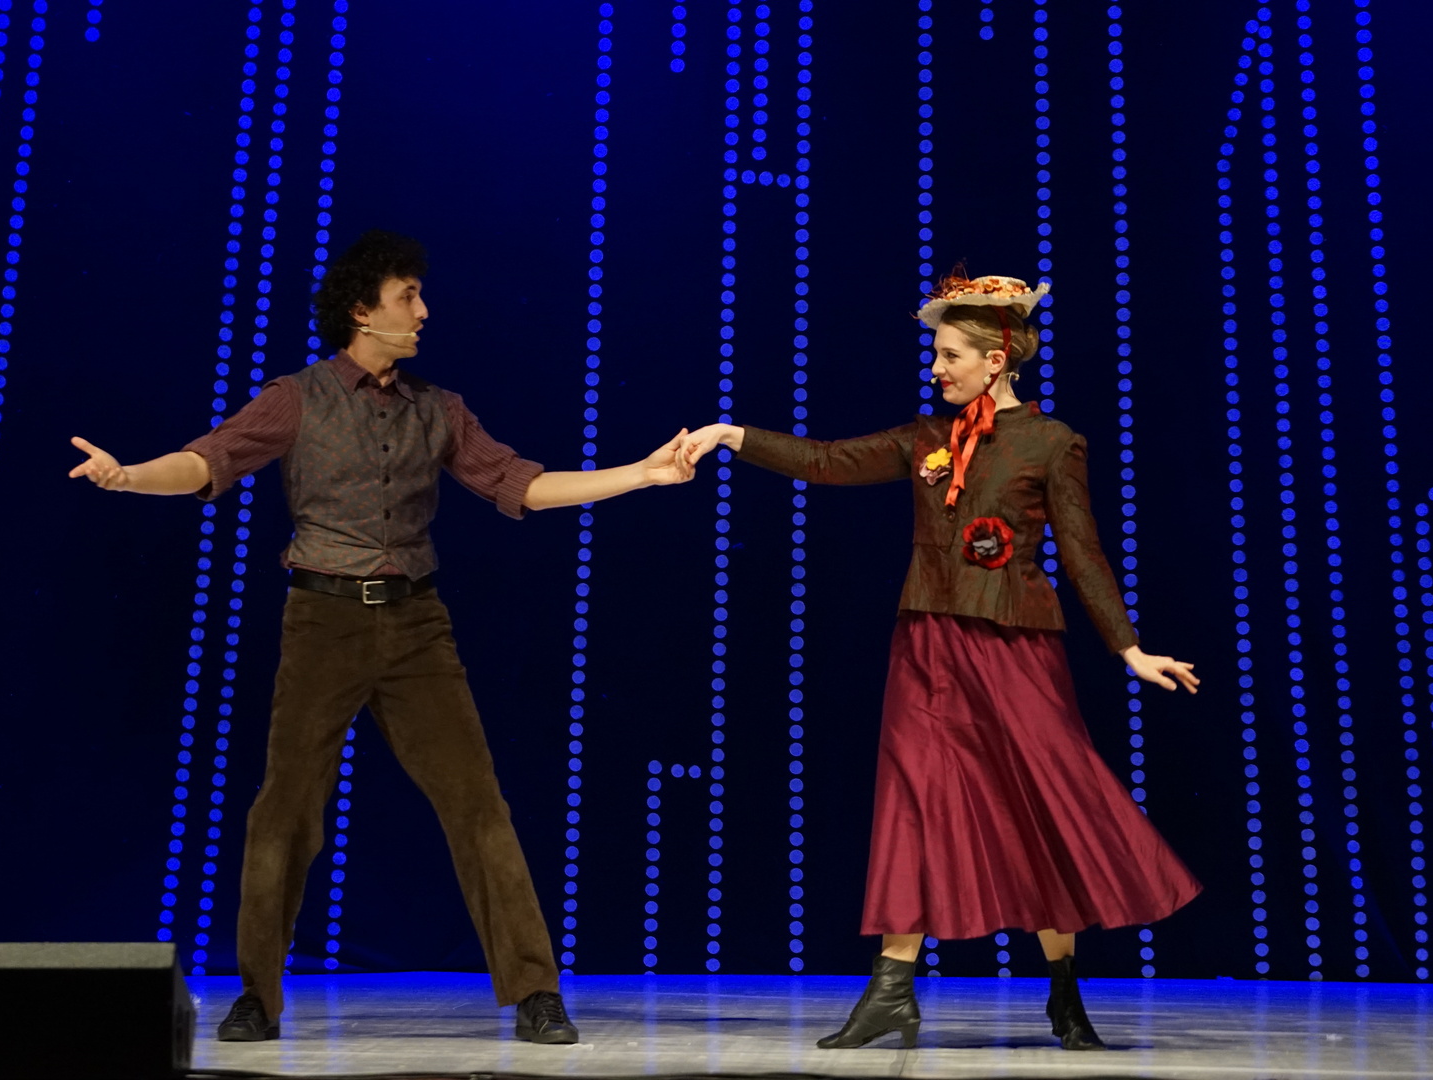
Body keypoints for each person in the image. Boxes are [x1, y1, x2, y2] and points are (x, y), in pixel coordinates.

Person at [69, 230, 697, 1044]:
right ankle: (257, 995)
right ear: (363, 312)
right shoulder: (296, 398)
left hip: (415, 627)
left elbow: (523, 484)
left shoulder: (439, 409)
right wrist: (126, 476)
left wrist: (642, 474)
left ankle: (534, 991)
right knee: (285, 809)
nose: (423, 311)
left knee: (477, 803)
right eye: (408, 297)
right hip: (322, 621)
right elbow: (208, 461)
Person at [684, 269, 1201, 1052]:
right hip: (927, 645)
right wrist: (733, 436)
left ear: (995, 360)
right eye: (935, 355)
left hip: (1014, 646)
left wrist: (1127, 648)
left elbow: (1082, 552)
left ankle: (1063, 991)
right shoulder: (926, 439)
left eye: (949, 355)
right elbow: (826, 460)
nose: (936, 369)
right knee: (913, 800)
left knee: (1043, 803)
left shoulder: (1052, 442)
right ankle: (891, 987)